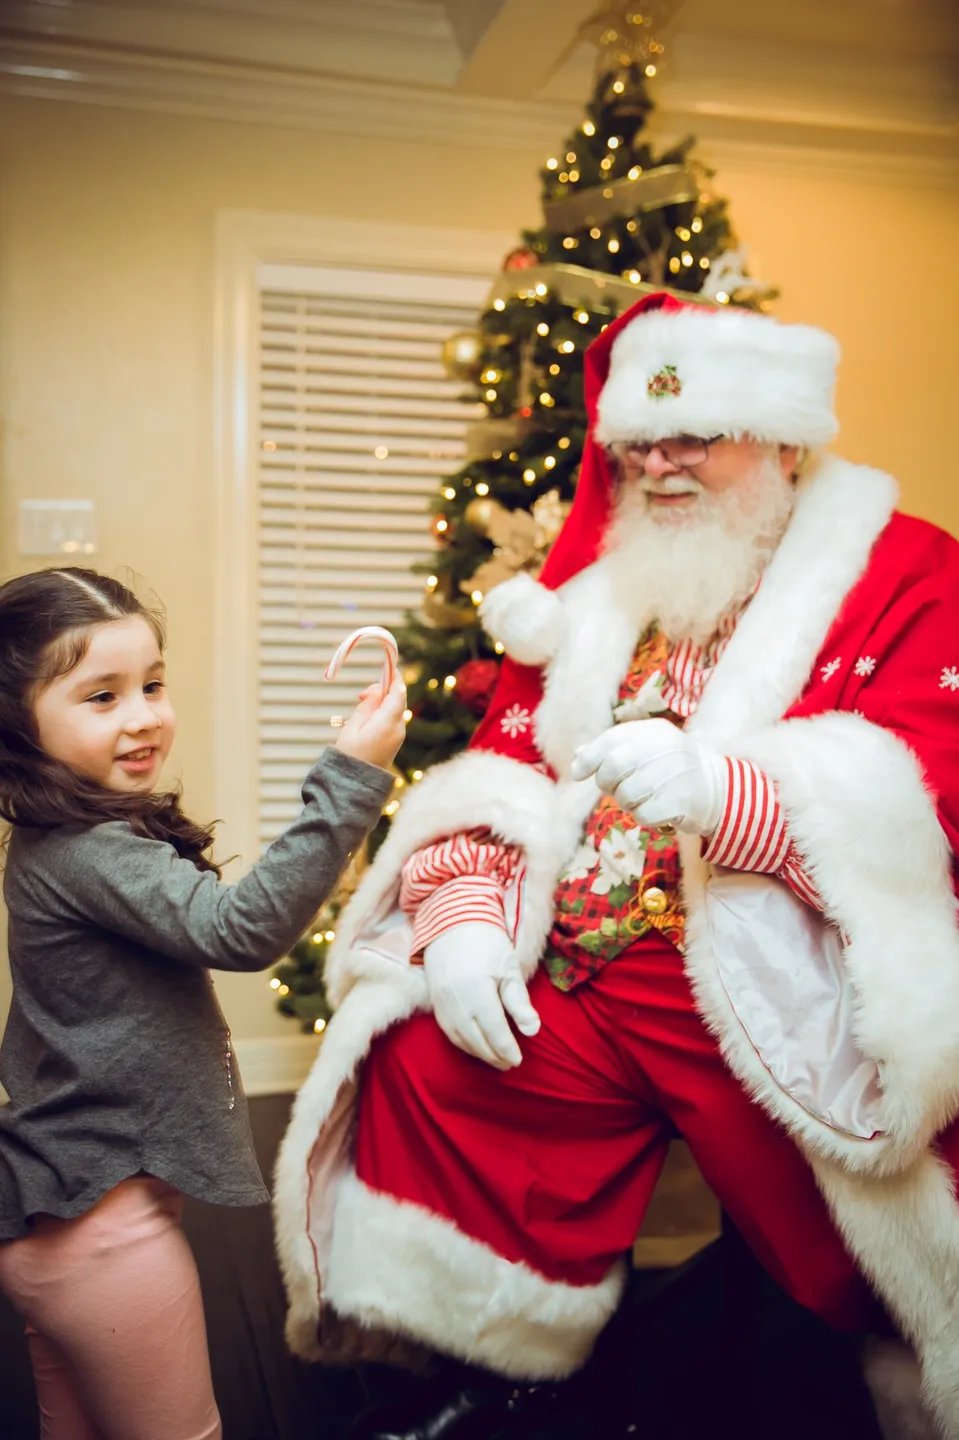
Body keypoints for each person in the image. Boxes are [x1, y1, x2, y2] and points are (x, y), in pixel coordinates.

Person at [274, 292, 959, 1440]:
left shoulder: (906, 572)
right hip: (585, 966)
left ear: (784, 438)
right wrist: (467, 919)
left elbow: (928, 783)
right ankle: (500, 1364)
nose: (663, 463)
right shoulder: (602, 587)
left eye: (698, 434)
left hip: (765, 976)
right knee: (432, 1064)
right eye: (641, 440)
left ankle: (840, 1377)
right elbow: (499, 766)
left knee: (848, 1236)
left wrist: (728, 794)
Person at [0, 567, 406, 1440]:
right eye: (100, 697)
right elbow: (241, 928)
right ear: (17, 724)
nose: (143, 715)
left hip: (55, 1216)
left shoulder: (56, 836)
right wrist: (350, 779)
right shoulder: (86, 853)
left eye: (151, 684)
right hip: (105, 1244)